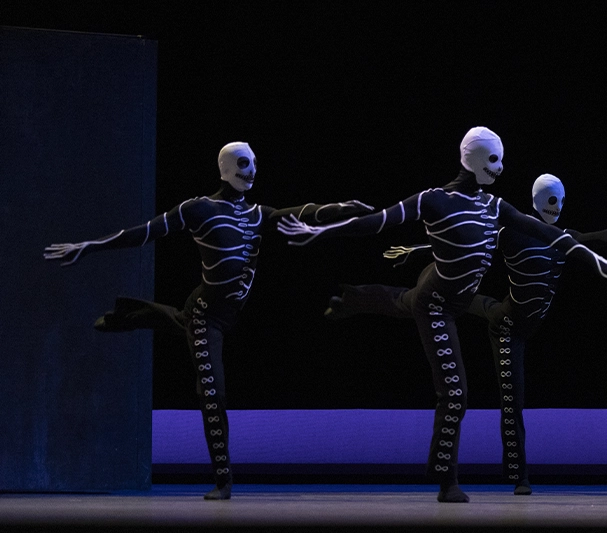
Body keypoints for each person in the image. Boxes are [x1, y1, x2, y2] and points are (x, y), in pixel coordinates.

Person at [278, 127, 607, 502]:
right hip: (438, 303)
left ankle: (353, 299)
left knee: (404, 301)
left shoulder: (493, 206)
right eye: (494, 159)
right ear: (475, 159)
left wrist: (592, 259)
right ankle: (447, 481)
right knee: (455, 392)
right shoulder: (434, 200)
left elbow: (547, 233)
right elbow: (377, 221)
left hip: (454, 295)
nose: (501, 167)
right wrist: (320, 231)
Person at [43, 142, 373, 500]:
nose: (251, 171)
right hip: (206, 316)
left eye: (255, 164)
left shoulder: (259, 215)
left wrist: (341, 209)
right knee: (212, 392)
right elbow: (145, 232)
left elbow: (304, 213)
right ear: (227, 167)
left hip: (228, 314)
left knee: (182, 324)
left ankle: (132, 314)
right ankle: (223, 480)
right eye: (244, 164)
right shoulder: (199, 208)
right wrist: (90, 245)